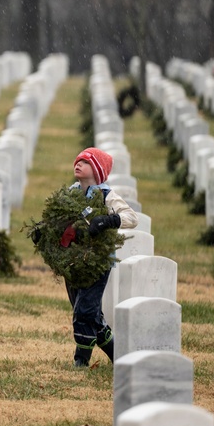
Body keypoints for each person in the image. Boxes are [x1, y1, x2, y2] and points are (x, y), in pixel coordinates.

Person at [66, 147, 137, 367]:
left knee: (85, 309)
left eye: (85, 162)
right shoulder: (71, 192)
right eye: (77, 161)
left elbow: (131, 217)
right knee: (88, 311)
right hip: (73, 260)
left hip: (97, 261)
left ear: (97, 170)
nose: (78, 164)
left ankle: (81, 360)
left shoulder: (107, 195)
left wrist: (108, 221)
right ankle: (118, 356)